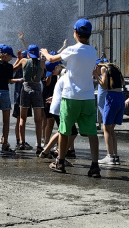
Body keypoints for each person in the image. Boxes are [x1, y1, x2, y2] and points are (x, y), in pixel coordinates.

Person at [41, 19, 101, 178]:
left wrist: (45, 52)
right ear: (89, 34)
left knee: (64, 130)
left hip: (71, 96)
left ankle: (60, 163)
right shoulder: (93, 51)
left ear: (75, 33)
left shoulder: (73, 49)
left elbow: (52, 60)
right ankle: (95, 166)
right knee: (92, 133)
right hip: (87, 97)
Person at [39, 66, 78, 162]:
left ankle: (47, 151)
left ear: (57, 67)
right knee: (71, 132)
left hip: (58, 105)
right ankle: (60, 154)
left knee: (63, 131)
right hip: (60, 106)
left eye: (52, 71)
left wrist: (54, 97)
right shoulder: (63, 74)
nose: (52, 74)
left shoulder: (63, 73)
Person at [96, 58, 126, 166]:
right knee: (111, 130)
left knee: (106, 129)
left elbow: (104, 85)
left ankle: (109, 156)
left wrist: (96, 75)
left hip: (112, 98)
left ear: (97, 66)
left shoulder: (103, 68)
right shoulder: (113, 69)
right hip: (120, 97)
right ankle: (115, 156)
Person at [18, 44, 46, 152]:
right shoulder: (42, 63)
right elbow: (42, 75)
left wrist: (20, 58)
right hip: (37, 90)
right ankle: (39, 145)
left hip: (25, 88)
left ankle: (21, 142)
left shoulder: (24, 61)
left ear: (28, 53)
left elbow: (14, 69)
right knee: (38, 120)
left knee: (22, 118)